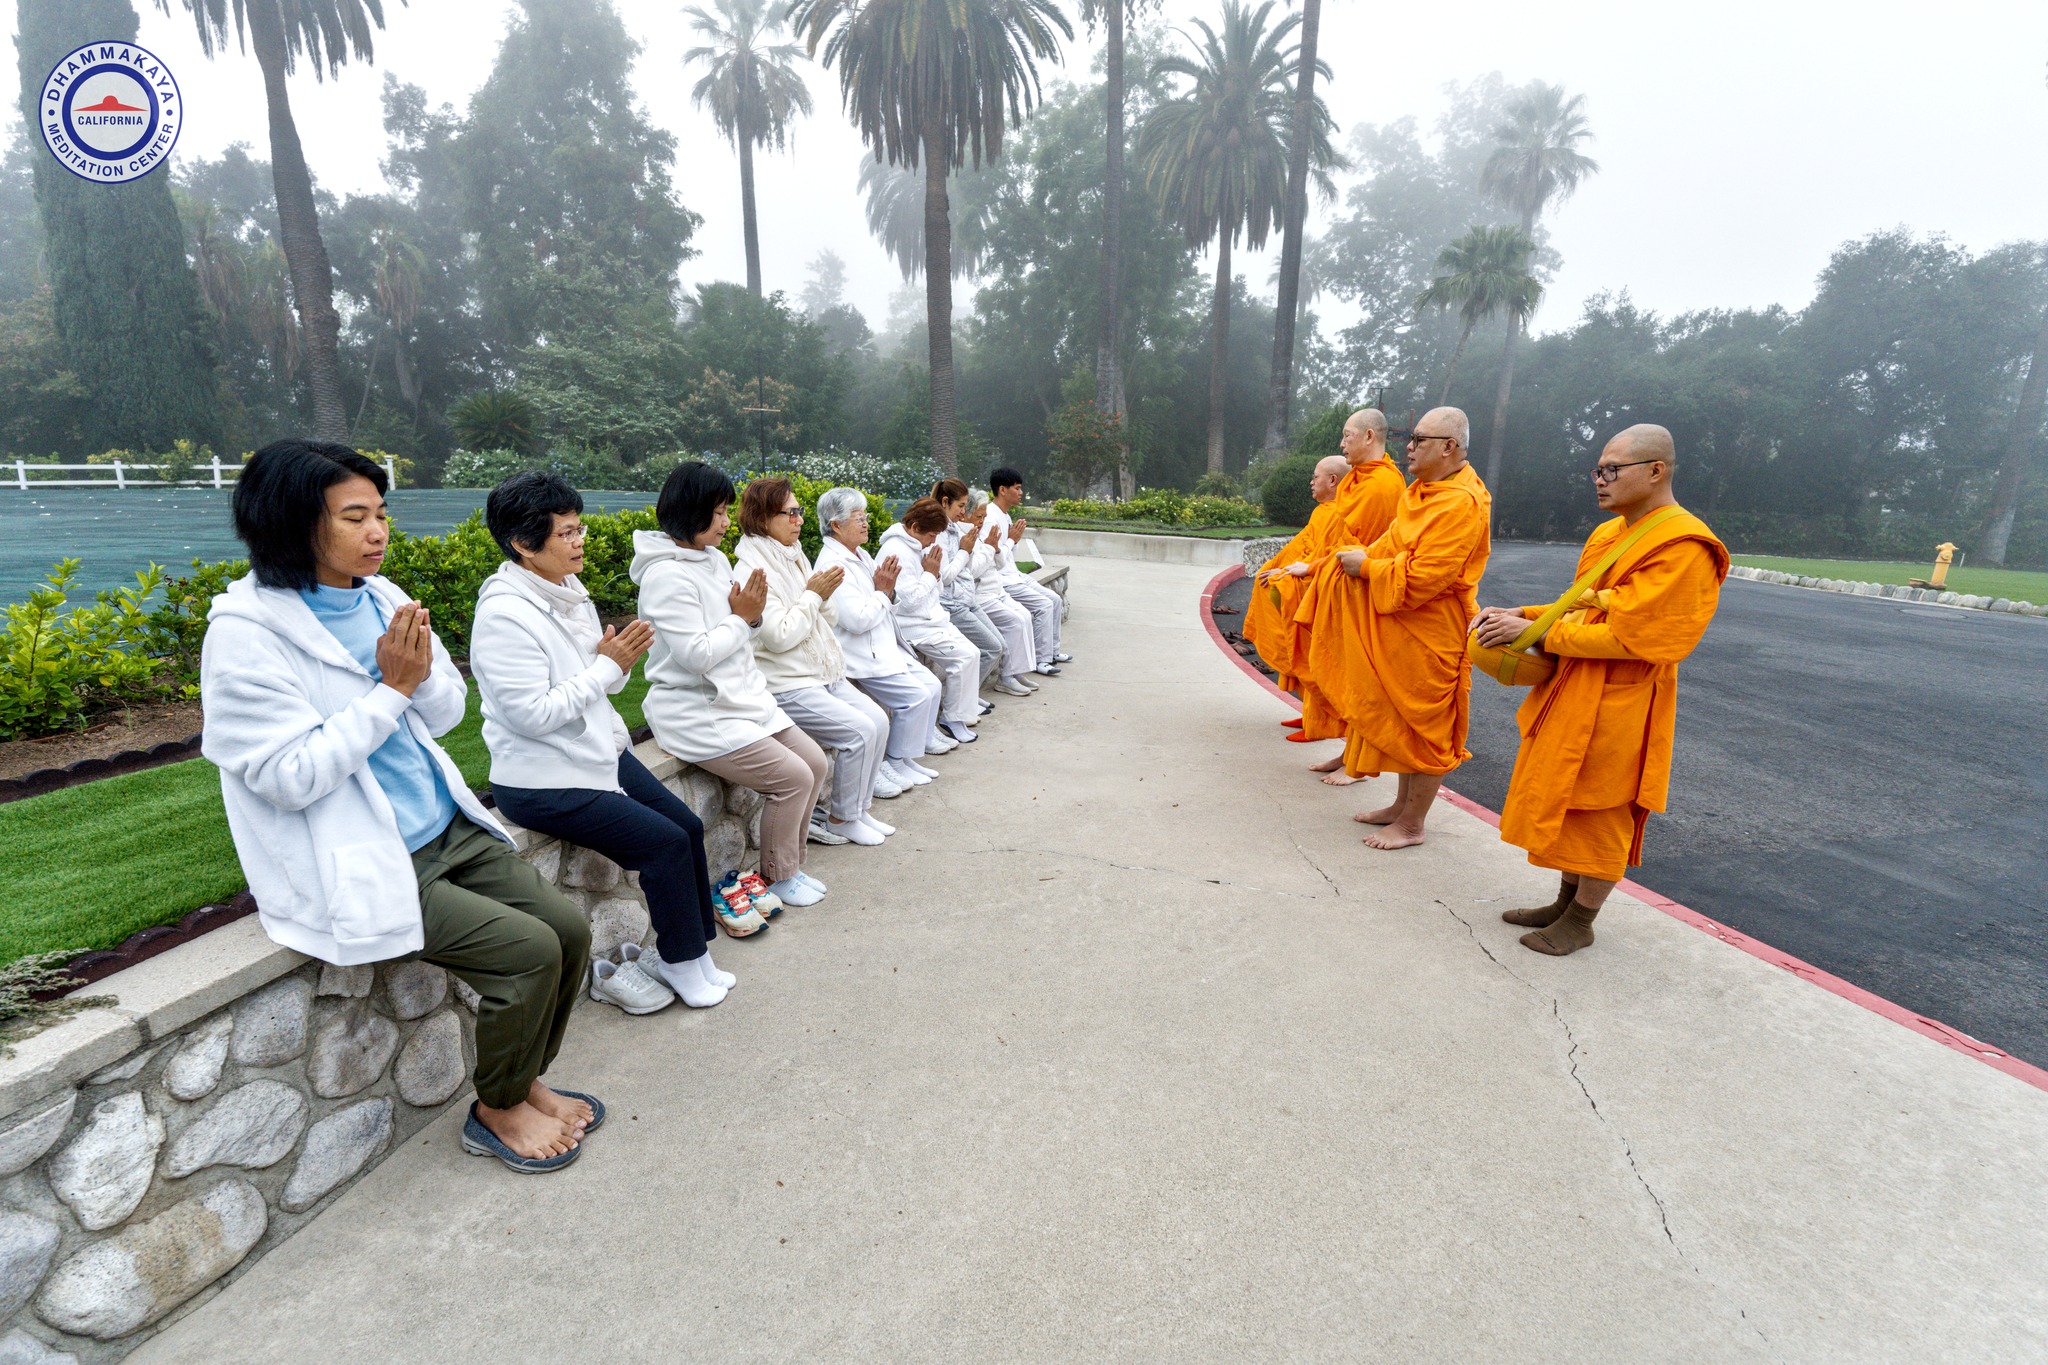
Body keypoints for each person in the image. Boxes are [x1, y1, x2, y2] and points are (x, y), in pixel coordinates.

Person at [201, 440, 599, 1173]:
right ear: (293, 523)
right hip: (370, 852)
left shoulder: (379, 594)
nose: (378, 531)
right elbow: (286, 775)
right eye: (356, 517)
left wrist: (417, 676)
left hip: (442, 825)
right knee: (528, 955)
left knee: (569, 929)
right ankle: (497, 1108)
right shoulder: (246, 634)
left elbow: (443, 711)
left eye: (381, 512)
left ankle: (522, 1078)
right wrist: (389, 690)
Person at [470, 471, 742, 1013]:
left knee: (686, 827)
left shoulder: (568, 591)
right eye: (566, 533)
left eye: (580, 528)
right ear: (524, 544)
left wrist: (613, 665)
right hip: (542, 778)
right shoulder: (503, 615)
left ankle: (693, 955)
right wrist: (603, 667)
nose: (580, 540)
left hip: (597, 754)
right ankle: (679, 962)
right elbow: (530, 715)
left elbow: (601, 682)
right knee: (662, 844)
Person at [1471, 424, 1727, 956]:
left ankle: (1583, 919)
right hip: (1577, 685)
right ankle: (1566, 900)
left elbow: (1643, 638)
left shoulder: (1684, 546)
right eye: (1598, 470)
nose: (1600, 480)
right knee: (1567, 800)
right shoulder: (1611, 534)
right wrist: (1528, 615)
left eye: (1612, 469)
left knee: (1600, 808)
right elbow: (1586, 603)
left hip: (1624, 698)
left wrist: (1538, 634)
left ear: (1655, 471)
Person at [631, 462, 831, 910]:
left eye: (725, 511)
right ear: (690, 512)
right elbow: (697, 654)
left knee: (814, 763)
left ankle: (791, 864)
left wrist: (752, 617)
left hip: (744, 699)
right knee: (793, 778)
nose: (726, 522)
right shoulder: (665, 576)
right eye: (718, 513)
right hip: (699, 710)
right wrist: (743, 618)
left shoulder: (715, 559)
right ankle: (779, 875)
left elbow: (745, 628)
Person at [1299, 406, 1492, 850]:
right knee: (1403, 719)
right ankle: (1400, 807)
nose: (1408, 446)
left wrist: (1367, 568)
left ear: (1449, 447)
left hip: (1433, 626)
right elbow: (1391, 543)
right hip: (1403, 622)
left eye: (1419, 439)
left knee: (1426, 725)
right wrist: (1345, 560)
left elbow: (1425, 577)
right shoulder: (1423, 491)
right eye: (1410, 437)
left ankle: (1413, 825)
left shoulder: (1461, 502)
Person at [731, 477, 898, 847]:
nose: (800, 520)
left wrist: (816, 598)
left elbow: (831, 617)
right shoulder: (753, 570)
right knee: (858, 732)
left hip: (821, 671)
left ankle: (857, 810)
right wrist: (812, 596)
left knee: (878, 721)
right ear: (762, 518)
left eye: (800, 512)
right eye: (790, 513)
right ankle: (840, 818)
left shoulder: (793, 555)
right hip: (787, 683)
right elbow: (778, 637)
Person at [1289, 409, 1409, 785]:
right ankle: (1348, 754)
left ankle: (1359, 766)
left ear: (1369, 436)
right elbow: (1335, 539)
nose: (1342, 444)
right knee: (1346, 678)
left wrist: (1310, 569)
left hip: (1363, 592)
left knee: (1362, 682)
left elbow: (1362, 548)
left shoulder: (1381, 486)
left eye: (1347, 436)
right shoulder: (1359, 479)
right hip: (1340, 586)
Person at [814, 486, 951, 791]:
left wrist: (888, 592)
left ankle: (903, 760)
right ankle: (890, 761)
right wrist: (883, 592)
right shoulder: (832, 564)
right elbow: (858, 620)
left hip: (884, 645)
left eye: (866, 516)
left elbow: (890, 598)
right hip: (860, 654)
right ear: (836, 525)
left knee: (930, 685)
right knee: (913, 698)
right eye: (858, 518)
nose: (865, 523)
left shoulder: (860, 553)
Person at [878, 497, 985, 746]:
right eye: (931, 535)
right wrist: (930, 573)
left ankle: (956, 717)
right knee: (963, 657)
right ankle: (952, 719)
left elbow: (933, 589)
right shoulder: (895, 552)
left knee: (973, 652)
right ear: (915, 527)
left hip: (932, 620)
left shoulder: (917, 545)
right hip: (912, 626)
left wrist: (931, 575)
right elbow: (906, 603)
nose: (934, 540)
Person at [1241, 453, 1352, 692]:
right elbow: (1302, 548)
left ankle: (1318, 717)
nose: (1311, 483)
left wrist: (1284, 573)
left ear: (1333, 481)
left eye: (1315, 477)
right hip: (1300, 576)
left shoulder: (1336, 513)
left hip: (1313, 588)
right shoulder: (1322, 511)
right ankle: (1308, 716)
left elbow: (1321, 554)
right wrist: (1276, 567)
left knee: (1308, 648)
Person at [984, 467, 1070, 674]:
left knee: (1055, 600)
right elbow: (995, 559)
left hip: (1015, 574)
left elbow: (1010, 553)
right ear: (1002, 490)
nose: (1021, 492)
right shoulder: (990, 518)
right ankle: (1041, 660)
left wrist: (1014, 539)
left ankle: (1052, 651)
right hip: (1003, 580)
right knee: (1043, 605)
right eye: (1017, 488)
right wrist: (1012, 539)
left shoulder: (1005, 516)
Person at [930, 477, 1003, 706]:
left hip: (967, 598)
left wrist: (970, 551)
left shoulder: (953, 528)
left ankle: (968, 696)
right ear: (944, 502)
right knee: (991, 648)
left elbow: (968, 569)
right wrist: (965, 551)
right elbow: (945, 576)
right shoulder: (938, 533)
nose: (964, 512)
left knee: (998, 645)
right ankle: (960, 702)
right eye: (961, 506)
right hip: (951, 603)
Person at [965, 488, 1041, 697]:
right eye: (978, 516)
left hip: (996, 589)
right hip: (982, 594)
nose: (981, 520)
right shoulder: (966, 535)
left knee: (1024, 615)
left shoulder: (982, 532)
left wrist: (998, 547)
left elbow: (999, 562)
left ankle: (1016, 672)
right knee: (1015, 621)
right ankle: (1006, 677)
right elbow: (972, 571)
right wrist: (997, 546)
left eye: (982, 516)